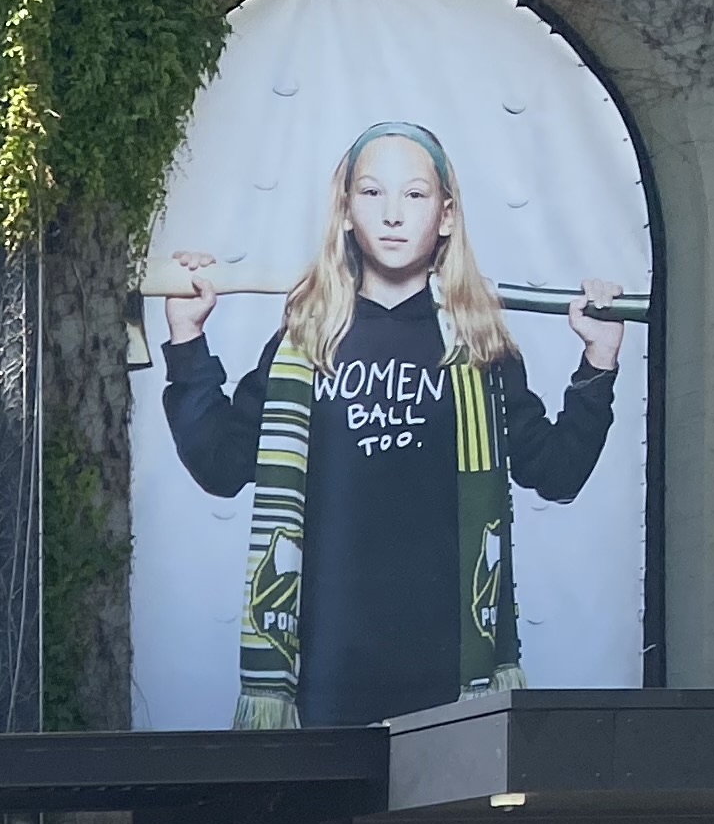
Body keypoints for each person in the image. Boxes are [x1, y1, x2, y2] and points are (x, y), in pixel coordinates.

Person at [158, 121, 623, 729]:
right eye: (373, 193)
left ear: (447, 215)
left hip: (451, 675)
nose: (394, 215)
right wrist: (188, 339)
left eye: (415, 195)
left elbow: (556, 472)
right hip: (322, 679)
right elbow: (220, 466)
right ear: (346, 212)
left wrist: (598, 362)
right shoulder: (305, 343)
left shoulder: (479, 350)